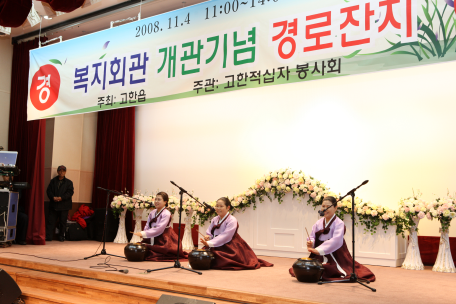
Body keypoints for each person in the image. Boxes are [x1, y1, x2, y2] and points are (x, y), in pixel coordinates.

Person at [289, 196, 376, 282]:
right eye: (323, 206)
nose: (325, 209)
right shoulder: (318, 223)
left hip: (335, 253)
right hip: (319, 253)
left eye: (328, 207)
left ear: (335, 208)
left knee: (327, 270)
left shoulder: (339, 223)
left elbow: (337, 240)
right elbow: (312, 236)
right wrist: (311, 242)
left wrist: (319, 250)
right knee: (307, 268)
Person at [200, 197, 273, 270]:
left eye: (221, 206)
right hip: (215, 242)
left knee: (218, 256)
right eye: (217, 206)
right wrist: (208, 236)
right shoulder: (215, 219)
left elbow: (226, 236)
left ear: (228, 207)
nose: (218, 208)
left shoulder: (232, 220)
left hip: (229, 245)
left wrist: (210, 243)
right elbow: (210, 231)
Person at [134, 192, 188, 261]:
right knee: (139, 247)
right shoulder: (152, 212)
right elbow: (147, 225)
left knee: (160, 251)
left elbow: (159, 228)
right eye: (155, 199)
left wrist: (145, 233)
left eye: (159, 200)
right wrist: (144, 233)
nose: (156, 201)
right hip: (152, 236)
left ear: (165, 202)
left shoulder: (166, 213)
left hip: (164, 237)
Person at [45, 165, 74, 242]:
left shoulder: (69, 182)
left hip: (64, 206)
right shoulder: (53, 181)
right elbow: (48, 191)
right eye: (60, 170)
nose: (61, 172)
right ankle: (48, 237)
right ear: (57, 171)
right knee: (51, 221)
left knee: (62, 222)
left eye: (63, 171)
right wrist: (52, 197)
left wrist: (61, 198)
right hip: (53, 205)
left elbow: (70, 193)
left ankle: (61, 237)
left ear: (65, 172)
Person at [1, 175, 28, 245]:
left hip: (13, 210)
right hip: (2, 210)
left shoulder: (16, 187)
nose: (9, 178)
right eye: (7, 176)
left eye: (11, 176)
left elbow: (18, 198)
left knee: (23, 217)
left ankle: (21, 239)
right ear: (3, 177)